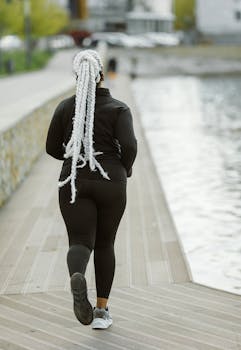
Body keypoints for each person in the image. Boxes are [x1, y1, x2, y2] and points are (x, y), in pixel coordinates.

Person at [45, 49, 137, 329]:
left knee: (80, 241)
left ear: (77, 76)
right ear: (100, 76)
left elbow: (51, 148)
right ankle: (101, 312)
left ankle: (77, 275)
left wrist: (76, 158)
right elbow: (130, 147)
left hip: (74, 181)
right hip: (111, 181)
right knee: (105, 244)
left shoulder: (65, 107)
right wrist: (125, 168)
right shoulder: (119, 109)